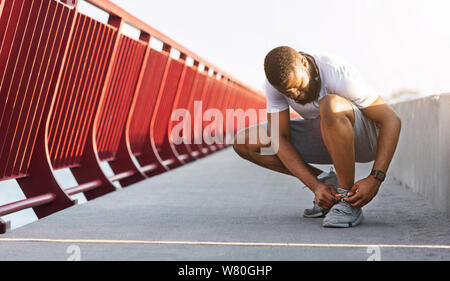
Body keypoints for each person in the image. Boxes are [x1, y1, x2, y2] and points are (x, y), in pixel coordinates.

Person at [233, 46, 401, 227]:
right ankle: (329, 185)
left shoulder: (336, 71)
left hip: (365, 139)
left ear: (304, 63)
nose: (297, 95)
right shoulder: (275, 86)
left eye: (298, 87)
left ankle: (346, 200)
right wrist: (315, 185)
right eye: (289, 93)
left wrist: (376, 178)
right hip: (326, 134)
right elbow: (278, 138)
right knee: (246, 141)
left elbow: (391, 121)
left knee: (329, 104)